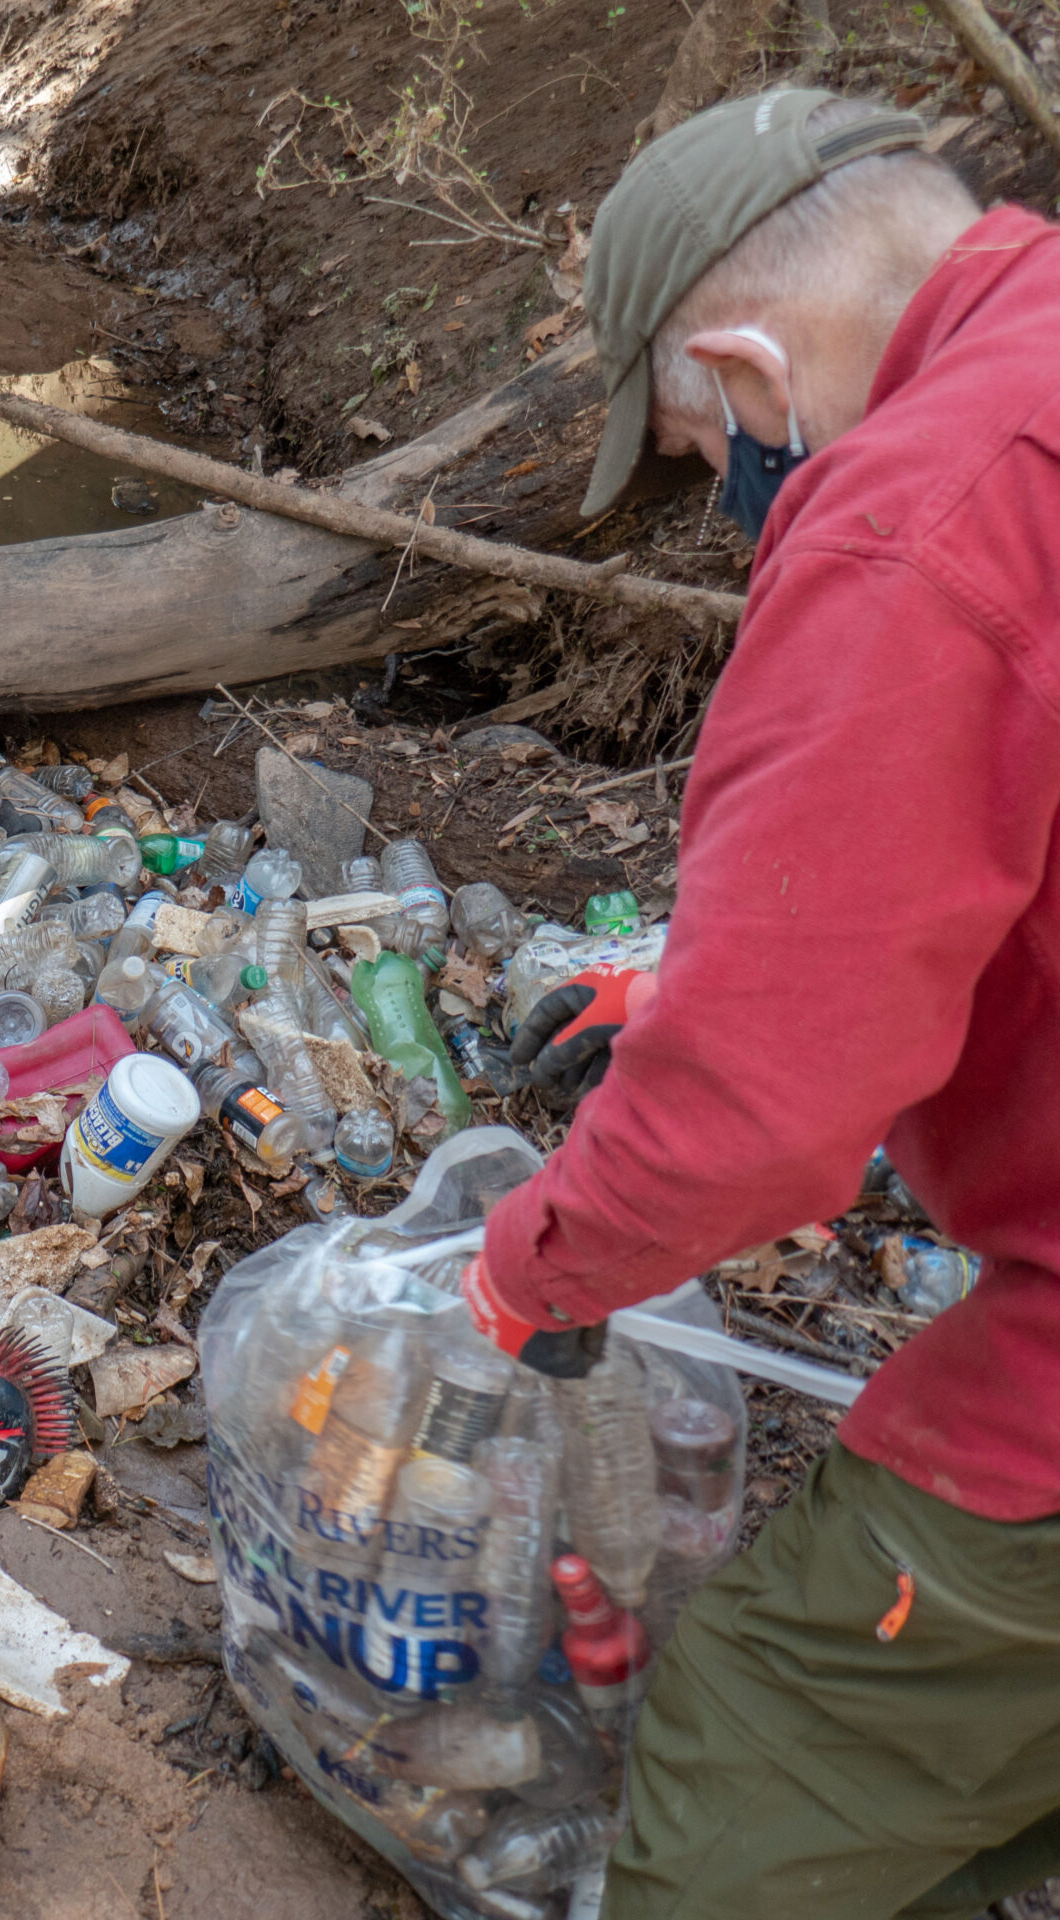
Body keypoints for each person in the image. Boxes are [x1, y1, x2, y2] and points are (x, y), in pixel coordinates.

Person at [458, 87, 1060, 1918]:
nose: (729, 506)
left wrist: (535, 1267)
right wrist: (707, 977)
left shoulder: (912, 506)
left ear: (743, 364)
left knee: (764, 1743)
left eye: (703, 449)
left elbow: (761, 1126)